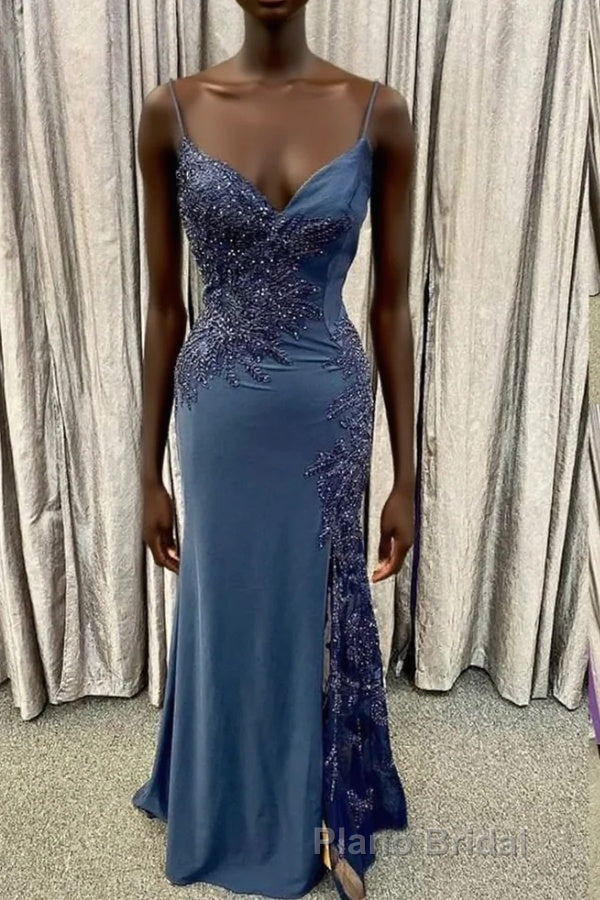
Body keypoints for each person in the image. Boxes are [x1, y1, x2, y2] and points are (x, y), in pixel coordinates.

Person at [131, 2, 416, 899]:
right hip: (217, 416)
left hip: (328, 411)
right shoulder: (170, 110)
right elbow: (166, 306)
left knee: (319, 605)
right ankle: (221, 802)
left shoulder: (379, 111)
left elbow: (392, 305)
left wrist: (409, 476)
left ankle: (328, 807)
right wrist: (146, 473)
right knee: (227, 606)